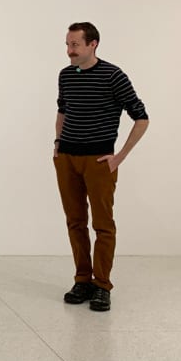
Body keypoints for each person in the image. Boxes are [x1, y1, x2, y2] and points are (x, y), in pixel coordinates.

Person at [53, 22, 149, 311]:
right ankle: (82, 280)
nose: (69, 51)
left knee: (103, 225)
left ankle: (102, 285)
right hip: (67, 159)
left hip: (99, 161)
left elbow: (141, 117)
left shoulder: (113, 75)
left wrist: (119, 157)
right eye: (68, 44)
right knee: (75, 222)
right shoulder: (66, 75)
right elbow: (62, 109)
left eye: (75, 45)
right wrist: (58, 143)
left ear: (92, 44)